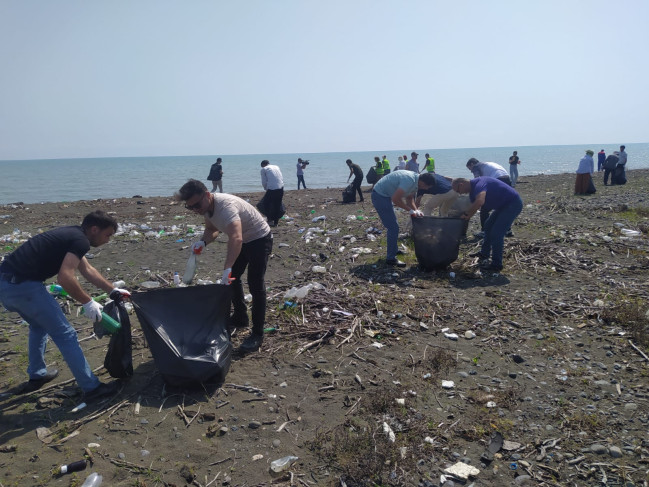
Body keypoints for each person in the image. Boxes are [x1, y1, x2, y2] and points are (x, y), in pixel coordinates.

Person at [0, 211, 127, 398]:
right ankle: (92, 388)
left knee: (38, 326)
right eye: (107, 235)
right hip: (23, 287)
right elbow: (65, 277)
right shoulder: (80, 241)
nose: (108, 240)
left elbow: (87, 269)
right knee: (66, 334)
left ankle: (37, 375)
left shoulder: (73, 235)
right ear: (94, 229)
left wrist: (112, 290)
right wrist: (88, 302)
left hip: (6, 286)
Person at [176, 179, 273, 354]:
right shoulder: (206, 208)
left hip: (259, 238)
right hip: (243, 239)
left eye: (197, 205)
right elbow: (212, 229)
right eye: (190, 207)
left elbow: (236, 238)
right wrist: (202, 243)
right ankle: (240, 317)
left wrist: (226, 268)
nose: (196, 210)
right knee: (233, 279)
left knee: (255, 284)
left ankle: (257, 334)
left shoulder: (226, 206)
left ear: (207, 195)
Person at [452, 177, 523, 273]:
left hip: (512, 204)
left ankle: (497, 264)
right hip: (501, 206)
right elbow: (475, 205)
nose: (460, 193)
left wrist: (467, 215)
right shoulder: (473, 191)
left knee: (497, 234)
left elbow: (480, 201)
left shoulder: (479, 184)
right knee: (488, 226)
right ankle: (484, 253)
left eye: (458, 190)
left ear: (461, 184)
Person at [372, 170, 436, 267]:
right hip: (380, 195)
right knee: (393, 227)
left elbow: (409, 199)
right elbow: (395, 199)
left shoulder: (416, 182)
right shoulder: (409, 180)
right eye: (427, 186)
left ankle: (394, 249)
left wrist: (416, 210)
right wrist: (410, 211)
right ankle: (390, 259)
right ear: (422, 182)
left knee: (394, 225)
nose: (426, 189)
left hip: (387, 195)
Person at [466, 158, 512, 236]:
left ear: (472, 164)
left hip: (497, 180)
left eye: (470, 169)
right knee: (503, 207)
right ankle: (507, 230)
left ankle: (485, 231)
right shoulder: (487, 164)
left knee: (484, 208)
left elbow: (477, 180)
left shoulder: (476, 166)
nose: (471, 171)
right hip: (507, 179)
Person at [260, 160, 284, 227]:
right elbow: (280, 177)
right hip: (280, 187)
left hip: (271, 189)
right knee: (277, 205)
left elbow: (264, 181)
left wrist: (266, 189)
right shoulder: (276, 167)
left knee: (265, 204)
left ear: (263, 165)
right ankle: (276, 222)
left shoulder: (263, 169)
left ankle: (270, 220)